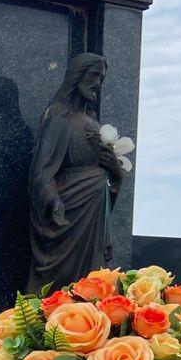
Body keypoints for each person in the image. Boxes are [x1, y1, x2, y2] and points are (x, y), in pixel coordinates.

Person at [26, 52, 127, 292]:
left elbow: (108, 174)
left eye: (102, 78)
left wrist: (117, 174)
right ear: (76, 76)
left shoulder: (91, 120)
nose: (98, 83)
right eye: (94, 75)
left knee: (89, 283)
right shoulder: (59, 118)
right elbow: (42, 169)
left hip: (93, 214)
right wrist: (52, 198)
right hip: (70, 211)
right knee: (60, 281)